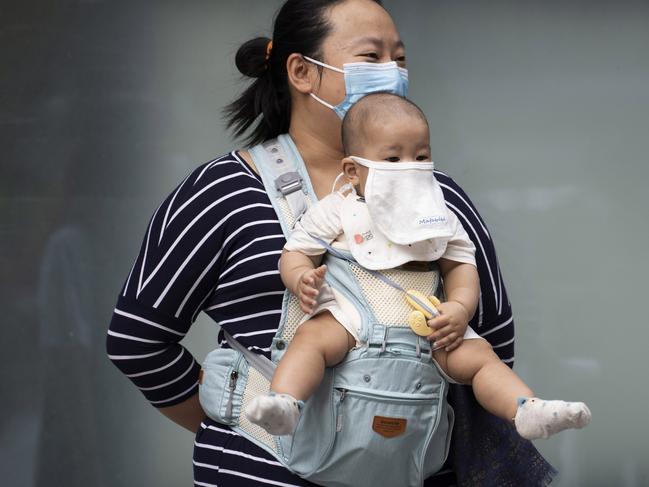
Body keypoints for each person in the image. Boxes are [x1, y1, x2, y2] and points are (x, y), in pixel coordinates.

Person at [106, 0, 559, 485]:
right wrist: (239, 415)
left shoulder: (440, 197)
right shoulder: (223, 192)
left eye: (400, 59)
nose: (392, 72)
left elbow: (491, 342)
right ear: (302, 72)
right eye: (371, 57)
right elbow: (138, 340)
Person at [244, 93, 591, 441]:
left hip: (430, 330)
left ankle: (526, 409)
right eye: (393, 158)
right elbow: (295, 253)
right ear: (352, 170)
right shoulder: (336, 209)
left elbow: (460, 266)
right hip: (352, 322)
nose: (409, 165)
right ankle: (286, 403)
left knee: (480, 357)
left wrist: (459, 307)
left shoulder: (439, 214)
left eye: (421, 156)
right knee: (311, 338)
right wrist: (301, 279)